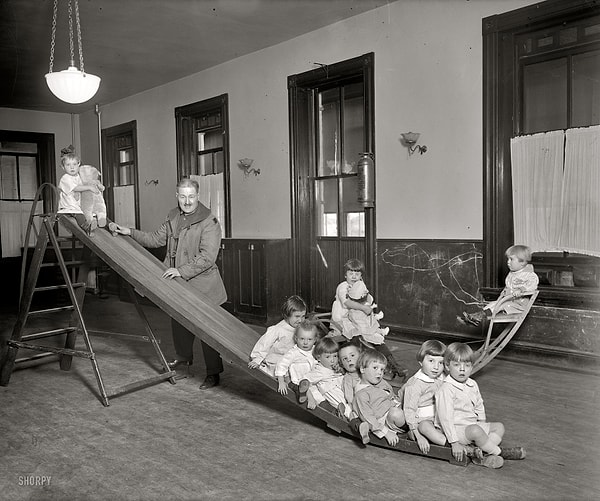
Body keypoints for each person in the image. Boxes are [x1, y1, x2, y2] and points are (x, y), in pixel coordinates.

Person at [111, 177, 227, 389]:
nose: (187, 201)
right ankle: (183, 360)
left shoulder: (210, 221)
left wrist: (180, 270)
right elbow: (155, 239)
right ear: (177, 196)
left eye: (191, 196)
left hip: (204, 286)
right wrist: (130, 232)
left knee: (208, 333)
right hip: (178, 283)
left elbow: (207, 257)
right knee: (179, 323)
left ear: (198, 196)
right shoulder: (173, 216)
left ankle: (213, 373)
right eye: (183, 196)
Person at [435, 342, 526, 468]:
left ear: (472, 366)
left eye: (467, 365)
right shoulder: (446, 389)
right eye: (456, 365)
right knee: (476, 431)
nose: (462, 369)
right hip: (455, 429)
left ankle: (481, 454)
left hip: (471, 426)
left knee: (499, 427)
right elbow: (445, 419)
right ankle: (500, 452)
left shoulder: (472, 384)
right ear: (447, 366)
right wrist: (454, 442)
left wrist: (482, 421)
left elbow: (479, 404)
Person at [331, 258, 407, 384]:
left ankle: (393, 365)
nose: (354, 276)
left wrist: (367, 306)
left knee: (375, 337)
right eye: (351, 273)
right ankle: (367, 367)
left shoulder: (360, 285)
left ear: (361, 275)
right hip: (343, 320)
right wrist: (363, 307)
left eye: (357, 273)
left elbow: (367, 300)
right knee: (363, 339)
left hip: (357, 319)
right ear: (345, 275)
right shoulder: (343, 286)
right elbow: (347, 302)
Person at [463, 245, 539, 326]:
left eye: (511, 259)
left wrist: (521, 290)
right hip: (508, 301)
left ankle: (478, 317)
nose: (508, 262)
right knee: (493, 304)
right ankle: (475, 317)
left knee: (501, 305)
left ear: (522, 262)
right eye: (508, 259)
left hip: (518, 305)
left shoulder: (529, 275)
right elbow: (508, 286)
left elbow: (532, 285)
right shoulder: (512, 274)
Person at [398, 340, 447, 454]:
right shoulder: (415, 384)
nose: (436, 367)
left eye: (440, 363)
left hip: (438, 417)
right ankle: (450, 444)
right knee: (425, 427)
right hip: (419, 421)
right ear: (421, 362)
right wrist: (418, 436)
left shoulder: (441, 377)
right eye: (431, 361)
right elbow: (409, 411)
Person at [352, 348, 406, 446]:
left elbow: (391, 395)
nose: (379, 372)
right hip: (386, 417)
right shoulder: (361, 395)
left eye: (382, 369)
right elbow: (368, 417)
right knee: (396, 413)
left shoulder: (381, 382)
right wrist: (385, 433)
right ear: (362, 369)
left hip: (397, 406)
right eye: (375, 368)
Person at [248, 295, 307, 376]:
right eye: (297, 316)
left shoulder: (300, 327)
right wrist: (257, 359)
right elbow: (264, 344)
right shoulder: (278, 329)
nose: (300, 320)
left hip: (292, 358)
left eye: (303, 316)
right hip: (277, 360)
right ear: (287, 315)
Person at [302, 337, 353, 419]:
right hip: (334, 394)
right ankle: (354, 421)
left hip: (345, 390)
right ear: (319, 358)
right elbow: (304, 382)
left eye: (335, 356)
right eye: (328, 357)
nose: (332, 360)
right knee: (348, 410)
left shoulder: (337, 366)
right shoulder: (319, 371)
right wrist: (311, 398)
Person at [57, 145, 104, 233]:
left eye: (74, 164)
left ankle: (100, 224)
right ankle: (87, 228)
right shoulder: (65, 178)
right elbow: (76, 188)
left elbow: (86, 182)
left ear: (78, 165)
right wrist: (89, 187)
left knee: (89, 213)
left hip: (77, 206)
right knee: (80, 216)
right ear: (63, 167)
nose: (72, 167)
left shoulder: (78, 177)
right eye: (68, 165)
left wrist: (95, 184)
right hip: (68, 207)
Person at [274, 320, 318, 400]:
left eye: (309, 339)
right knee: (312, 394)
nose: (305, 343)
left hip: (314, 379)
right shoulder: (293, 352)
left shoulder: (315, 350)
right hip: (299, 380)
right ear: (296, 339)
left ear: (315, 340)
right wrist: (281, 381)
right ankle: (304, 394)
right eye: (302, 339)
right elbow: (282, 364)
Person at [346, 279, 388, 345]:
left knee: (371, 323)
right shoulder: (354, 312)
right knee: (366, 331)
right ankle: (376, 335)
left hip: (366, 321)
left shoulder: (363, 305)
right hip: (361, 326)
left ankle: (380, 331)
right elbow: (357, 319)